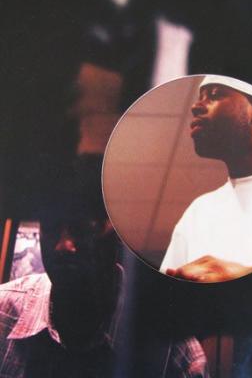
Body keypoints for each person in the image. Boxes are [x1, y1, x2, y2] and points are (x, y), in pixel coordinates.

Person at [0, 161, 209, 378]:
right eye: (51, 228)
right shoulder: (3, 313)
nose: (63, 246)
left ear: (121, 236)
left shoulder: (174, 351)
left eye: (83, 228)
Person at [160, 75, 252, 283]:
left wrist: (240, 275)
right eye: (200, 98)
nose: (195, 107)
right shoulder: (199, 210)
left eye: (214, 95)